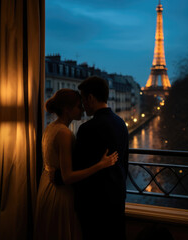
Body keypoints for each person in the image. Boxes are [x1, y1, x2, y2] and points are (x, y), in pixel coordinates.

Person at [34, 89, 118, 240]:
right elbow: (67, 177)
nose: (83, 109)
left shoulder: (50, 128)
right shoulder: (64, 133)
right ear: (67, 109)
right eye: (79, 106)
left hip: (46, 187)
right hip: (61, 194)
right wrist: (101, 164)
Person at [73, 76, 129, 240]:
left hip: (94, 204)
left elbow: (78, 168)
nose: (82, 105)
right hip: (117, 197)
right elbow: (124, 161)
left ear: (90, 98)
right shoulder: (121, 123)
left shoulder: (87, 129)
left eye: (83, 99)